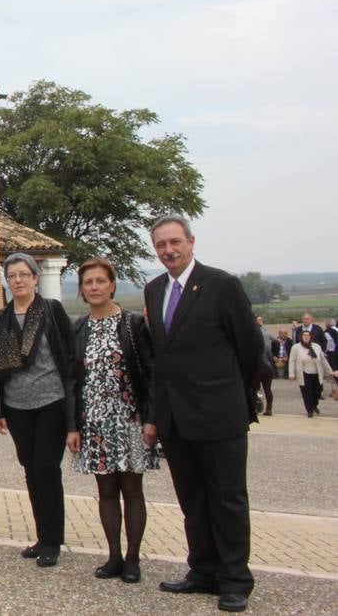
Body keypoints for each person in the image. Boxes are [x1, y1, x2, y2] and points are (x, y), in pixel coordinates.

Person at [145, 215, 259, 613]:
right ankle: (203, 570)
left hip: (219, 413)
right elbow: (162, 356)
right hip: (176, 418)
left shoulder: (221, 285)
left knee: (226, 499)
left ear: (192, 242)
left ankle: (234, 579)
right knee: (192, 500)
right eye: (161, 245)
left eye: (175, 242)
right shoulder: (154, 289)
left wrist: (236, 398)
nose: (168, 251)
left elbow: (249, 348)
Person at [71, 257, 157, 584]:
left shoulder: (133, 324)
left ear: (112, 285)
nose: (94, 287)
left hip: (130, 418)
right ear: (81, 290)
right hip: (94, 421)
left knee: (132, 489)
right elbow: (72, 378)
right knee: (105, 489)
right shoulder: (79, 327)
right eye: (88, 282)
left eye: (100, 281)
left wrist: (152, 418)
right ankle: (113, 556)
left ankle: (133, 558)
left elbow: (150, 373)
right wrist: (72, 425)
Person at [0, 251, 77, 568]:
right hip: (16, 406)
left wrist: (72, 418)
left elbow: (68, 361)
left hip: (50, 402)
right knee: (30, 469)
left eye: (24, 274)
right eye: (12, 275)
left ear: (36, 278)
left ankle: (53, 539)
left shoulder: (51, 311)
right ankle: (42, 536)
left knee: (46, 469)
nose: (18, 280)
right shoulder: (2, 318)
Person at [289, 330, 333, 417]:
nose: (306, 337)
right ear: (301, 337)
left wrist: (330, 372)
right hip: (304, 373)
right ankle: (310, 410)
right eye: (304, 335)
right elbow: (292, 360)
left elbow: (323, 360)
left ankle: (314, 405)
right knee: (307, 392)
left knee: (318, 391)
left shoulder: (316, 346)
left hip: (316, 373)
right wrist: (291, 373)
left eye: (308, 335)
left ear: (311, 337)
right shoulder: (296, 347)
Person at [253, 316, 275, 417]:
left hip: (257, 368)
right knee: (267, 389)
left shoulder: (250, 342)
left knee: (254, 388)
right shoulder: (265, 344)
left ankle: (255, 407)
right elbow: (270, 356)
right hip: (267, 367)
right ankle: (269, 408)